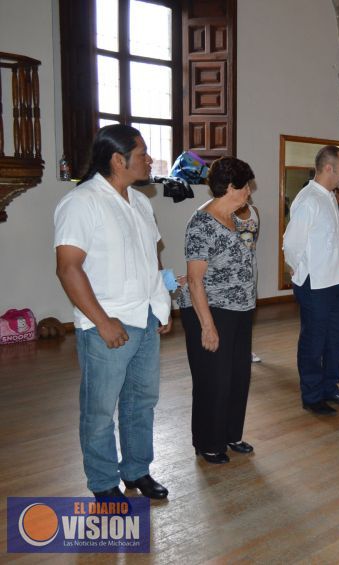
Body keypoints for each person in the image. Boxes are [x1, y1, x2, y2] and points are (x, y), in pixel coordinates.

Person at [54, 124, 170, 500]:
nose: (149, 160)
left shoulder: (141, 202)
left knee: (142, 402)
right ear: (118, 160)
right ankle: (104, 483)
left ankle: (137, 470)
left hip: (145, 318)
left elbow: (151, 257)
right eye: (142, 154)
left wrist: (161, 306)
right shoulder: (81, 202)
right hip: (107, 325)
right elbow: (68, 267)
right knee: (100, 410)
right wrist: (102, 322)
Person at [178, 157, 258, 464]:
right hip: (209, 310)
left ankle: (230, 434)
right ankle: (208, 442)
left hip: (239, 309)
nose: (249, 192)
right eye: (245, 185)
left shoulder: (236, 219)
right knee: (214, 378)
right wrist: (208, 327)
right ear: (229, 187)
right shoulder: (201, 223)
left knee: (238, 375)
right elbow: (196, 281)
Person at [283, 146, 339, 415]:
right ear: (329, 168)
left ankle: (330, 388)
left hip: (334, 280)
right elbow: (291, 243)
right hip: (314, 283)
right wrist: (295, 268)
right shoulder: (309, 200)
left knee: (336, 338)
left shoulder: (328, 196)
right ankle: (312, 396)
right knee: (314, 341)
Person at [235, 198, 263, 364]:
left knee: (249, 308)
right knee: (233, 310)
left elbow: (254, 239)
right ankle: (233, 350)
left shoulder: (255, 211)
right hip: (232, 270)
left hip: (251, 267)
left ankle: (245, 349)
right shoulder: (227, 212)